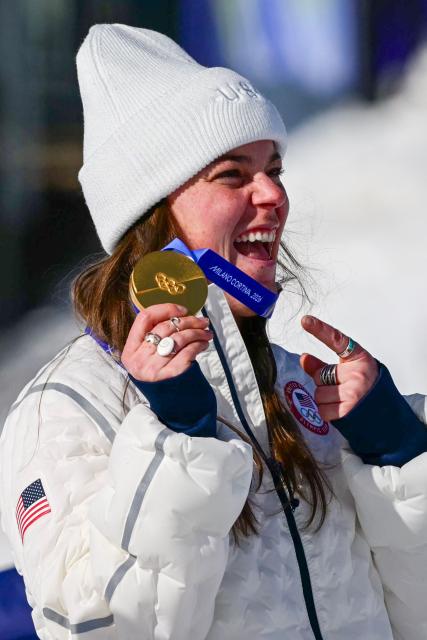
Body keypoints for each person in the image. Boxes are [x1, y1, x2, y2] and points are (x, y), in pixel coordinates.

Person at [1, 24, 427, 640]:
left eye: (274, 169)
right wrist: (177, 439)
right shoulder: (71, 404)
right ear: (153, 213)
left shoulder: (292, 382)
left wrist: (398, 454)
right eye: (233, 175)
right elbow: (101, 629)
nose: (274, 193)